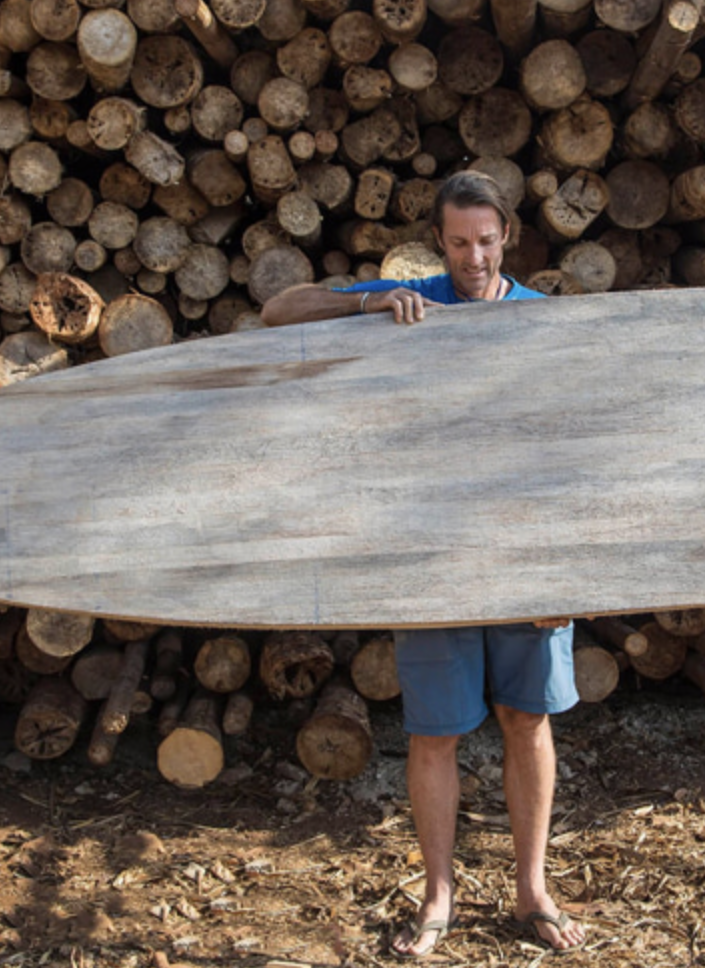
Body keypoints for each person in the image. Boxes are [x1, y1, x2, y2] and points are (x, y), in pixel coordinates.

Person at [260, 171, 589, 957]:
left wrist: (569, 570)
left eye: (486, 241)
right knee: (435, 734)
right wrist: (368, 304)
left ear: (507, 236)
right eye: (458, 242)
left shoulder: (544, 320)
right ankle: (438, 896)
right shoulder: (410, 299)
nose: (473, 258)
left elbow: (582, 448)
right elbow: (278, 312)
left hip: (527, 551)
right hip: (427, 553)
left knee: (527, 718)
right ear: (438, 241)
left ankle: (531, 890)